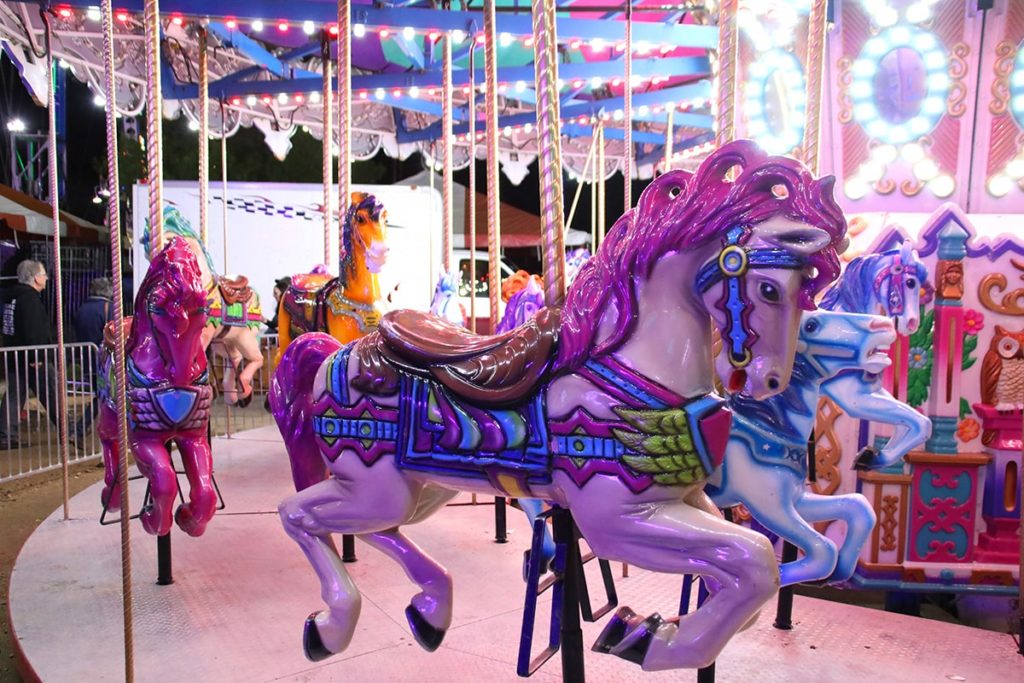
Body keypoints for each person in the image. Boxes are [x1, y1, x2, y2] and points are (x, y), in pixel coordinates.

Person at [0, 259, 59, 449]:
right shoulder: (29, 299)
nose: (46, 278)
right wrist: (37, 357)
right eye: (44, 274)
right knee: (51, 393)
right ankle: (70, 429)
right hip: (32, 357)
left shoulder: (12, 297)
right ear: (35, 278)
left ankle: (6, 434)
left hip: (15, 355)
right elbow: (33, 330)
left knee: (14, 395)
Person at [72, 277, 113, 447]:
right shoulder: (108, 308)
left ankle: (80, 430)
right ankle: (79, 429)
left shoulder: (81, 309)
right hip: (104, 360)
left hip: (86, 358)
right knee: (105, 396)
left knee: (102, 395)